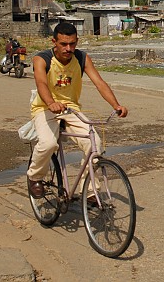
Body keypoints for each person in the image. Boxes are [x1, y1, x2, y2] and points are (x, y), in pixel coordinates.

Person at [26, 22, 128, 198]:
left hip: (70, 109)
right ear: (54, 42)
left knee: (94, 144)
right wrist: (51, 102)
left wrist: (116, 105)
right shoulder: (41, 59)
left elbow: (100, 83)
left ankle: (89, 190)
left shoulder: (82, 58)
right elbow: (41, 83)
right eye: (63, 44)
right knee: (48, 144)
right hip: (45, 107)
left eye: (72, 44)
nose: (68, 48)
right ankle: (34, 177)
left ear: (77, 41)